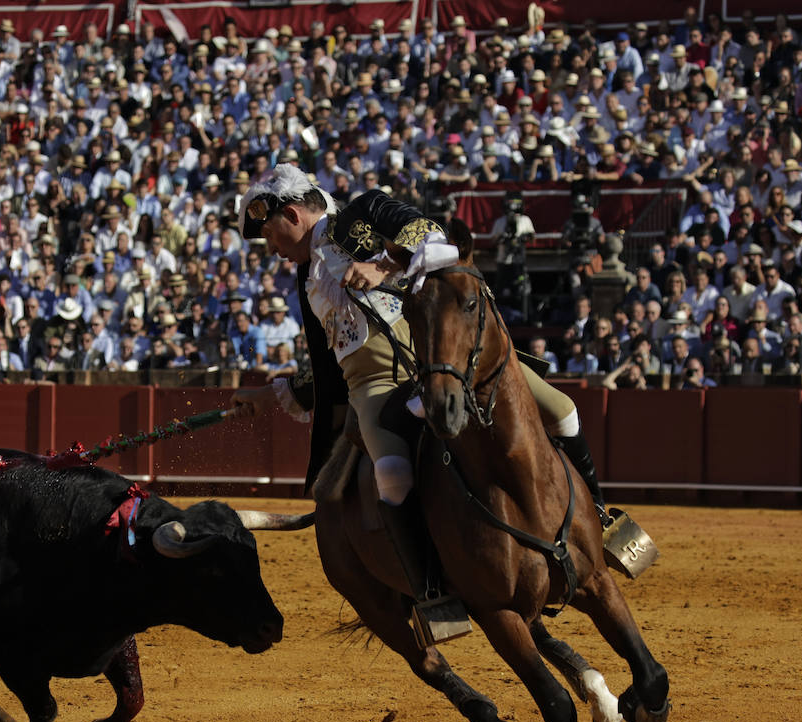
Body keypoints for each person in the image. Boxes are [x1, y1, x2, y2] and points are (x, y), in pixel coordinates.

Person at [231, 165, 618, 645]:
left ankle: (603, 521)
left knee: (561, 410)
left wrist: (383, 265)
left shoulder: (362, 214)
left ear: (292, 214)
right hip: (372, 384)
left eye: (269, 233)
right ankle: (432, 590)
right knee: (393, 472)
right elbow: (331, 365)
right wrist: (275, 394)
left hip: (443, 356)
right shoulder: (305, 278)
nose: (270, 247)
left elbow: (435, 237)